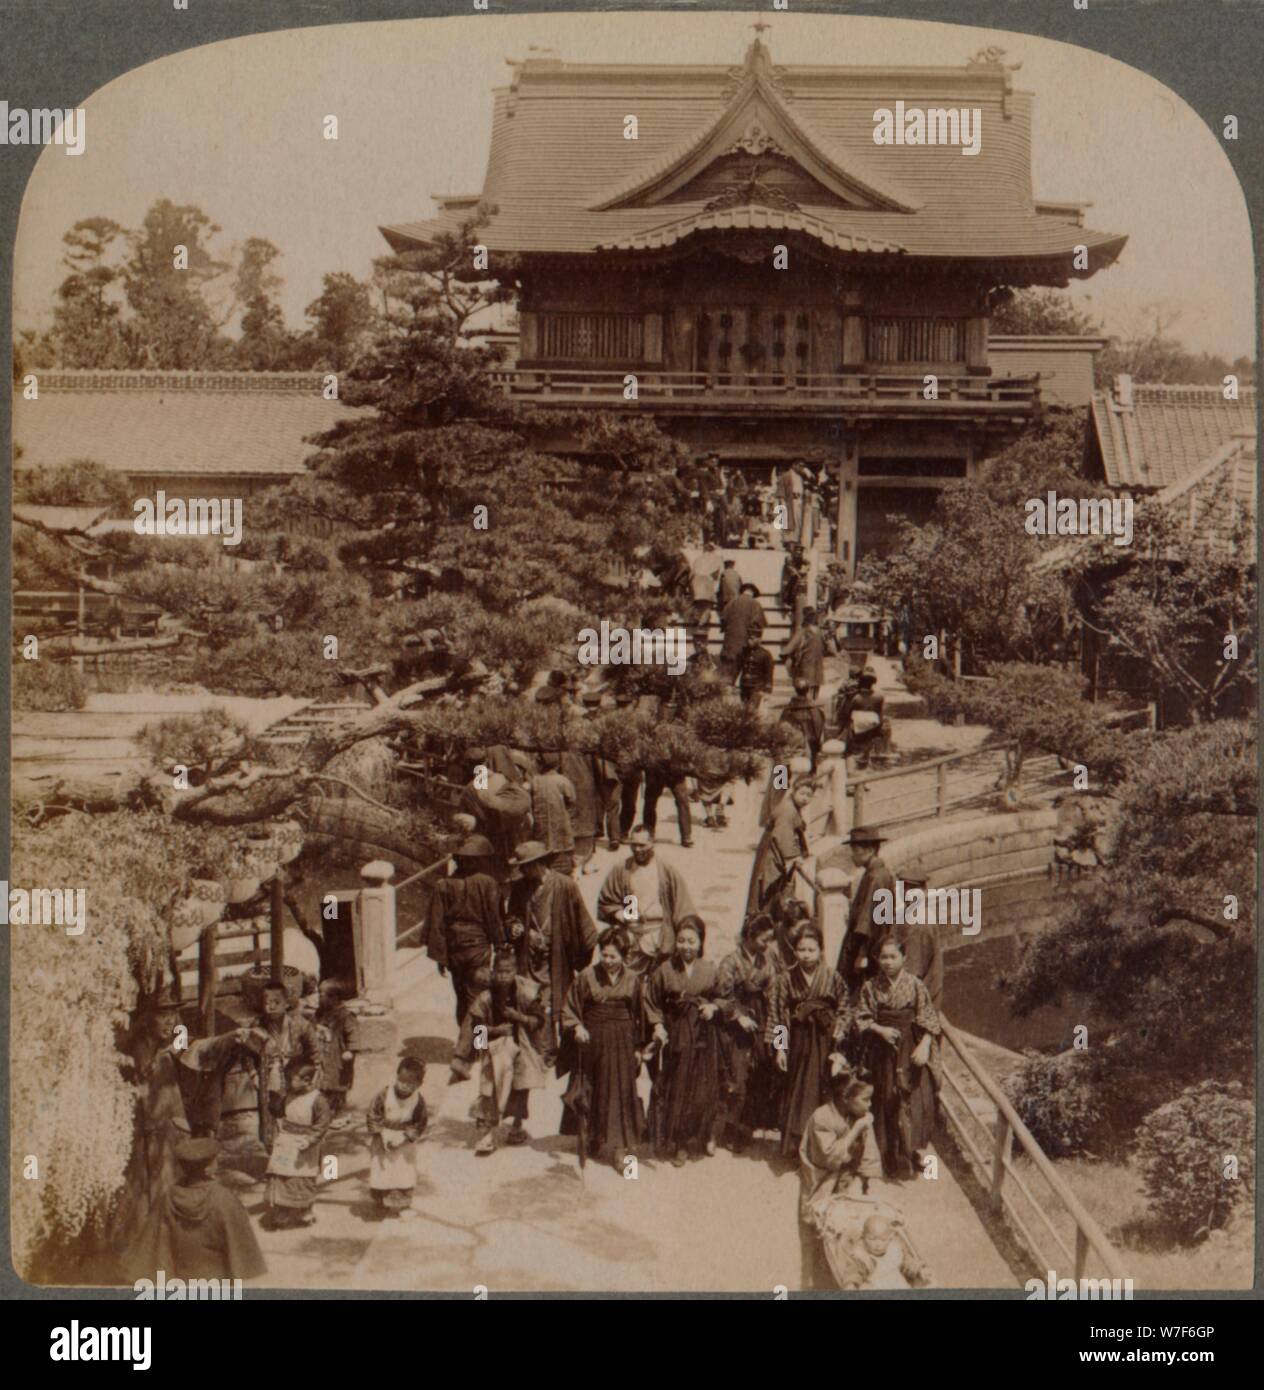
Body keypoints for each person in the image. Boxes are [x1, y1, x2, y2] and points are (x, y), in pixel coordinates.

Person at [855, 937, 943, 1179]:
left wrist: (925, 1045)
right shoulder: (870, 986)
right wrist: (879, 1029)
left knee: (913, 1097)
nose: (888, 962)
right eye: (883, 957)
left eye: (893, 957)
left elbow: (929, 1018)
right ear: (877, 959)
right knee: (885, 1098)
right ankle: (888, 1156)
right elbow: (861, 1017)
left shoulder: (915, 985)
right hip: (881, 1048)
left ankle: (912, 1152)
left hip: (911, 1046)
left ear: (904, 958)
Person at [123, 1137, 266, 1284]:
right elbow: (242, 1250)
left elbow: (153, 1243)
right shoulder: (224, 1199)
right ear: (208, 1168)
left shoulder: (168, 1198)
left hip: (179, 1280)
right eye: (214, 1160)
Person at [562, 927, 646, 1171]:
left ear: (624, 956)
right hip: (593, 1041)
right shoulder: (587, 976)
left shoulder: (633, 979)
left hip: (622, 1042)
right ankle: (593, 1137)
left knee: (621, 1094)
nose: (608, 961)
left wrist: (638, 1048)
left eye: (613, 956)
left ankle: (621, 1152)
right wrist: (577, 1026)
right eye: (604, 955)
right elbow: (569, 1008)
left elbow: (639, 1016)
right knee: (593, 1090)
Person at [506, 840, 598, 1062]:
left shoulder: (565, 885)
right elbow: (511, 919)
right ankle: (541, 1048)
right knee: (533, 999)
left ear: (539, 863)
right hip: (529, 955)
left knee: (557, 999)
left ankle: (560, 1050)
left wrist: (582, 955)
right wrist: (522, 931)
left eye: (527, 866)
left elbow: (583, 922)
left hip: (557, 954)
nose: (524, 871)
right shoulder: (520, 887)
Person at [643, 916, 722, 1166]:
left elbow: (724, 998)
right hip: (676, 1035)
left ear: (700, 943)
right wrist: (657, 1026)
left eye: (691, 941)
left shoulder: (709, 969)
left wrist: (713, 1007)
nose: (686, 946)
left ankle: (690, 1140)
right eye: (681, 941)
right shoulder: (664, 970)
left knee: (697, 1091)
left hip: (701, 1037)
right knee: (673, 1088)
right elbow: (651, 1001)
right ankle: (671, 1141)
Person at [767, 922, 851, 1158]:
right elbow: (779, 1013)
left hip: (824, 1040)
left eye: (811, 950)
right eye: (801, 950)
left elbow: (845, 1008)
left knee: (822, 1091)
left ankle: (821, 1147)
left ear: (821, 951)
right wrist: (781, 1049)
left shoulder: (832, 977)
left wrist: (840, 1031)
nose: (806, 955)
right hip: (798, 1040)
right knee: (797, 1091)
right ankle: (795, 1146)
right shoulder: (785, 979)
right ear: (794, 951)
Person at [797, 1076, 883, 1290]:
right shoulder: (822, 1118)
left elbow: (869, 1153)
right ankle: (812, 1284)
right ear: (846, 1099)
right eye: (865, 1099)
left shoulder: (860, 1116)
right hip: (822, 1183)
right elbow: (829, 1157)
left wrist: (864, 1181)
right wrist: (855, 1130)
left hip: (848, 1181)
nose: (869, 1105)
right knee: (817, 1236)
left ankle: (848, 1278)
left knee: (850, 1235)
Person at [464, 951, 549, 1155]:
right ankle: (486, 1136)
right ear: (493, 972)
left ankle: (516, 1126)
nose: (504, 976)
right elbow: (476, 1031)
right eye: (500, 971)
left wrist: (518, 1017)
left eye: (508, 971)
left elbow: (539, 1020)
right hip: (493, 1051)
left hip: (521, 1046)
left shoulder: (527, 991)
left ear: (516, 971)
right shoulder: (485, 997)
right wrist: (495, 1032)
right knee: (488, 1090)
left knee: (521, 1087)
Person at [424, 834, 506, 1024]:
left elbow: (436, 924)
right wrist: (500, 945)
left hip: (454, 950)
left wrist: (440, 958)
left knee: (461, 999)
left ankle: (466, 1045)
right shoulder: (488, 883)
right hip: (478, 949)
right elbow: (495, 919)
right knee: (478, 1000)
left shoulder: (443, 885)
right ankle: (479, 1047)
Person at [716, 913, 780, 1153]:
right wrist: (738, 1016)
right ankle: (729, 1129)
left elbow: (774, 995)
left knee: (760, 1073)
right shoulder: (730, 962)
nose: (767, 944)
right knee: (738, 1077)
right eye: (764, 939)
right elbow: (723, 996)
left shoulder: (767, 962)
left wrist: (774, 1031)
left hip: (760, 1018)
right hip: (736, 1023)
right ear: (750, 936)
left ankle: (747, 1126)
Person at [230, 979, 319, 1151]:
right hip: (269, 1078)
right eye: (267, 1002)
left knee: (299, 1115)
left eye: (276, 1002)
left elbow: (314, 1052)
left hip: (297, 1077)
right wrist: (254, 1075)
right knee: (271, 1118)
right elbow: (246, 1055)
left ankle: (301, 1157)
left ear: (286, 1003)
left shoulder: (300, 1024)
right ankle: (275, 1156)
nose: (271, 1007)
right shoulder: (257, 1026)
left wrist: (312, 1076)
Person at [597, 825, 696, 975]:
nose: (637, 849)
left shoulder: (666, 870)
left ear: (652, 843)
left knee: (663, 981)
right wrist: (622, 915)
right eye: (633, 845)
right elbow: (607, 901)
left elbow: (683, 907)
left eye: (642, 845)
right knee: (630, 983)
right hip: (633, 936)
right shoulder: (623, 869)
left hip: (661, 934)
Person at [265, 1059, 330, 1229]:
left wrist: (310, 1139)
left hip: (305, 1144)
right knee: (282, 1176)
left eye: (291, 1079)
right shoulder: (288, 1095)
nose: (287, 1083)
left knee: (303, 1178)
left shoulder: (318, 1100)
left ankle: (304, 1211)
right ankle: (283, 1212)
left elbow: (322, 1125)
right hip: (287, 1140)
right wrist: (273, 1093)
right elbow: (277, 1110)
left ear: (307, 1081)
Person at [366, 1057, 428, 1218]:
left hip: (404, 1140)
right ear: (396, 1077)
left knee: (404, 1171)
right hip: (383, 1136)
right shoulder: (384, 1095)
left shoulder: (418, 1101)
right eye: (401, 1081)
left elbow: (420, 1123)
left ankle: (402, 1205)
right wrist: (378, 1134)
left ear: (418, 1084)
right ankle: (379, 1201)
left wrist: (405, 1137)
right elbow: (373, 1115)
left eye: (410, 1083)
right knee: (382, 1170)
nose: (404, 1086)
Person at [836, 825, 897, 987]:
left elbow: (868, 920)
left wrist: (861, 954)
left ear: (869, 850)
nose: (852, 856)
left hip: (869, 946)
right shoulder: (880, 873)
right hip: (877, 943)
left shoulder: (875, 878)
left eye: (855, 851)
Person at [746, 778, 814, 920]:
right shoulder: (787, 810)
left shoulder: (793, 807)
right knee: (768, 886)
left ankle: (766, 920)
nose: (805, 798)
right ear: (794, 791)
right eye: (802, 793)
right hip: (773, 851)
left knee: (774, 889)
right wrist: (793, 857)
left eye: (809, 795)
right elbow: (783, 835)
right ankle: (761, 923)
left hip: (775, 849)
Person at [312, 978, 360, 1116]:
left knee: (337, 1085)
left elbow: (353, 1034)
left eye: (322, 995)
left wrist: (350, 1050)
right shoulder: (319, 1013)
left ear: (335, 998)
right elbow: (310, 1028)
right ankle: (324, 1112)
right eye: (319, 994)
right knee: (322, 1083)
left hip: (338, 1058)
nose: (319, 998)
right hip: (322, 1054)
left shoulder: (346, 1016)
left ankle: (338, 1113)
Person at [529, 751, 577, 869]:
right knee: (562, 862)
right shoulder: (563, 781)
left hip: (541, 827)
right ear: (556, 765)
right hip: (561, 827)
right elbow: (572, 800)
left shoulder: (534, 781)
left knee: (544, 858)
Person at [560, 744, 602, 874]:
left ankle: (577, 863)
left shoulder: (563, 751)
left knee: (573, 825)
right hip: (586, 791)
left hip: (572, 788)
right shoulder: (589, 751)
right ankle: (584, 862)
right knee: (585, 825)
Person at [837, 671, 887, 767]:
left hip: (856, 727)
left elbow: (847, 713)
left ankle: (852, 763)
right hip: (872, 726)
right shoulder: (879, 697)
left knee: (851, 745)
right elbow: (880, 713)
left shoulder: (856, 698)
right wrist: (879, 728)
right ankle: (866, 761)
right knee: (867, 744)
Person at [719, 582, 766, 683]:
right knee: (744, 675)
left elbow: (723, 620)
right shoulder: (755, 604)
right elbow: (757, 626)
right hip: (745, 646)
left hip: (728, 644)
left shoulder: (731, 603)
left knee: (726, 674)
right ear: (753, 593)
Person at [642, 758, 694, 848]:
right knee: (650, 802)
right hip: (655, 769)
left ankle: (686, 836)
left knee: (683, 801)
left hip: (676, 770)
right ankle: (648, 832)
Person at [781, 607, 827, 701]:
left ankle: (807, 704)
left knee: (805, 685)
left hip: (806, 663)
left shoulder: (803, 631)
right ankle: (814, 704)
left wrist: (785, 654)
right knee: (815, 686)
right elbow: (826, 647)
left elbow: (792, 644)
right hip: (818, 663)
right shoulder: (820, 632)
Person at [779, 680, 826, 770]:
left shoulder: (788, 711)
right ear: (808, 690)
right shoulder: (816, 710)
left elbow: (781, 732)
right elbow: (819, 730)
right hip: (810, 746)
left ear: (795, 690)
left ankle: (782, 782)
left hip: (794, 748)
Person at [737, 633, 775, 712]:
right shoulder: (742, 653)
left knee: (751, 710)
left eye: (752, 639)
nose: (749, 641)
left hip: (757, 686)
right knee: (744, 710)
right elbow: (737, 668)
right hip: (744, 685)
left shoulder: (765, 654)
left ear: (759, 639)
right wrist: (731, 682)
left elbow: (769, 673)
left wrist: (768, 689)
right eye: (748, 639)